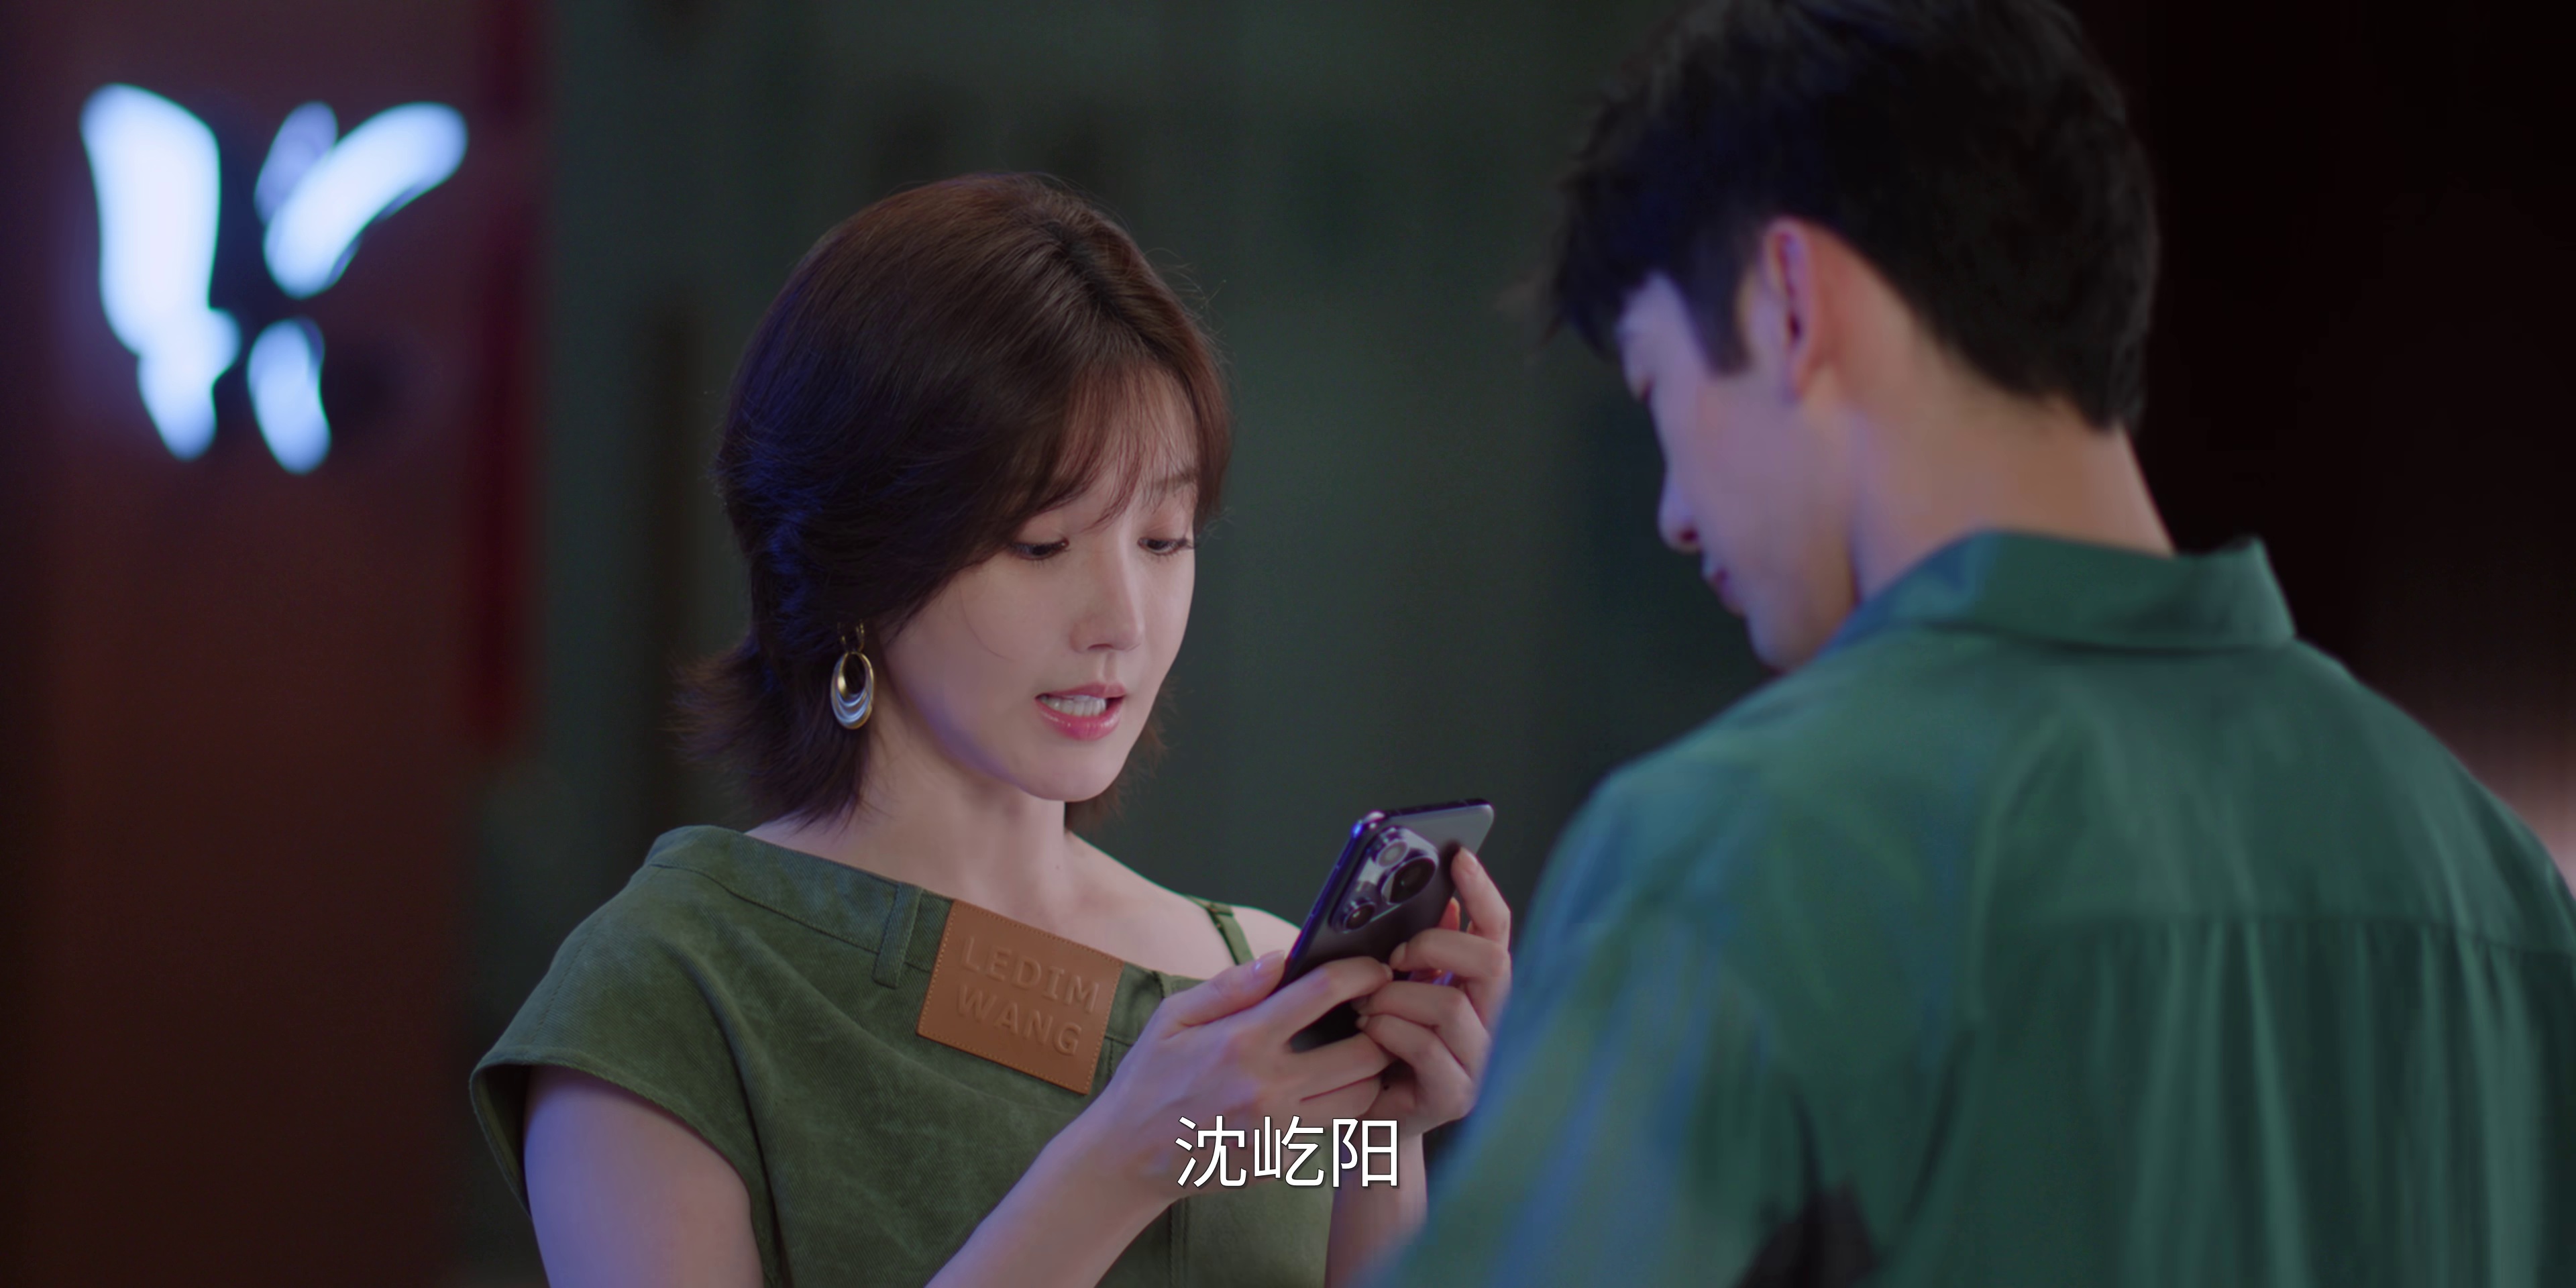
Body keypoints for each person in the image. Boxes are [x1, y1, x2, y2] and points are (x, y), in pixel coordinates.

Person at [1368, 0, 2576, 1284]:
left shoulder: (1740, 851)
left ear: (1791, 303)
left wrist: (1292, 1152)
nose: (1673, 513)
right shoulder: (2501, 887)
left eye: (1661, 389)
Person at [471, 174, 1515, 1287]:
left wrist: (1385, 1137)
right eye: (1039, 544)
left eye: (1163, 540)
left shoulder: (1255, 986)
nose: (1122, 622)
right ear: (857, 559)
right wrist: (1119, 1164)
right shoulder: (674, 991)